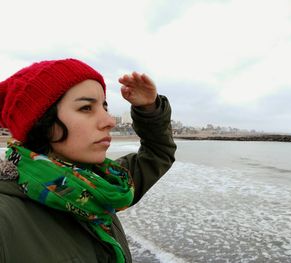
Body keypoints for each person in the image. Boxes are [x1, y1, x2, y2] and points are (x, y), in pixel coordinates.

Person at [0, 58, 176, 262]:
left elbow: (157, 153)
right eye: (86, 108)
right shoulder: (6, 220)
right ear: (41, 121)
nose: (109, 121)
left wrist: (149, 109)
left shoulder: (103, 186)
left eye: (104, 106)